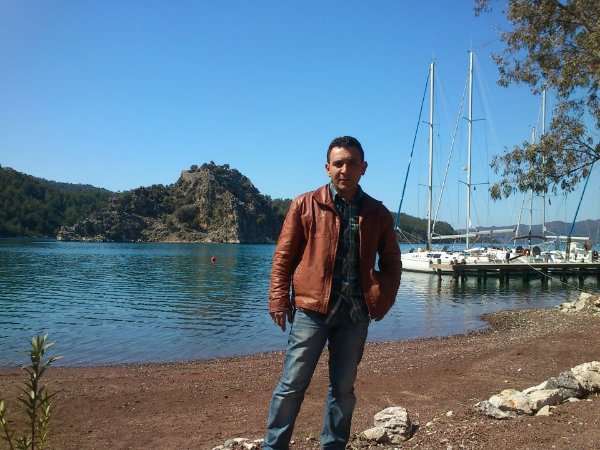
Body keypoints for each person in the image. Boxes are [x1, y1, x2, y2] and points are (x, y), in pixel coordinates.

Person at [264, 136, 402, 449]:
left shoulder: (377, 213)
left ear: (363, 168)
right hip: (311, 311)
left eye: (352, 163)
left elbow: (392, 261)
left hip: (355, 314)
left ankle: (333, 445)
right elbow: (283, 257)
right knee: (292, 384)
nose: (345, 169)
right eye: (338, 163)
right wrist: (278, 298)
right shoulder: (305, 204)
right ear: (327, 168)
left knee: (343, 389)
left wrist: (384, 298)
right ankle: (274, 446)